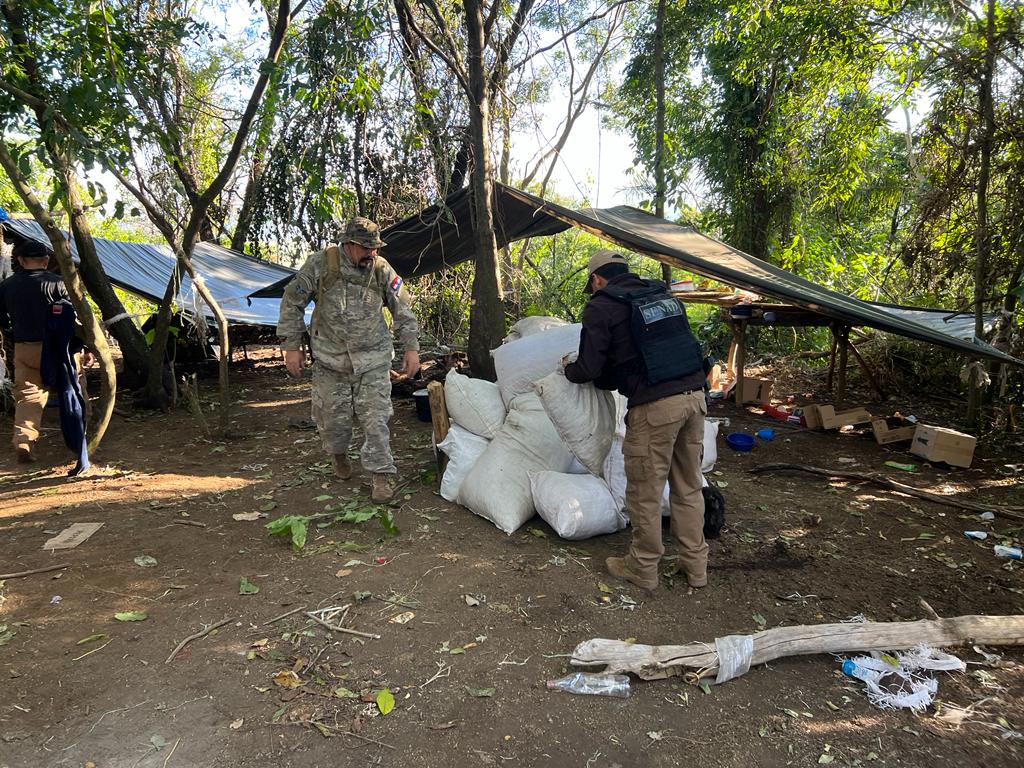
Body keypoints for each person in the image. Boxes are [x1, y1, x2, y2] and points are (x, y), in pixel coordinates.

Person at [563, 249, 708, 591]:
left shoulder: (601, 306)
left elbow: (589, 369)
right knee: (689, 487)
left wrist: (567, 369)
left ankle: (642, 568)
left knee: (645, 491)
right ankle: (697, 568)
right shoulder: (661, 296)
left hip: (655, 408)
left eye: (594, 284)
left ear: (597, 279)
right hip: (696, 399)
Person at [277, 217, 420, 503]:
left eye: (375, 247)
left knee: (376, 419)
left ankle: (381, 475)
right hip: (330, 361)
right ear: (348, 244)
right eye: (366, 247)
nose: (372, 253)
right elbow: (292, 302)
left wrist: (411, 347)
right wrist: (291, 346)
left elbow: (402, 307)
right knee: (333, 421)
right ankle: (339, 456)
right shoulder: (320, 264)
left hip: (374, 359)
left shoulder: (380, 269)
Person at [0, 239, 92, 463]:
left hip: (25, 348)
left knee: (28, 395)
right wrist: (87, 347)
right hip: (62, 348)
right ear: (46, 260)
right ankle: (82, 439)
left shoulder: (6, 287)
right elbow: (79, 318)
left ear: (20, 260)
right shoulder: (61, 284)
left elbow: (2, 318)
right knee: (74, 390)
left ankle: (24, 440)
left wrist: (13, 334)